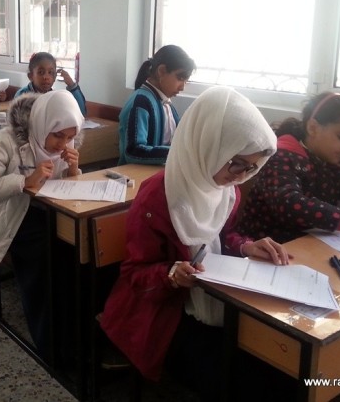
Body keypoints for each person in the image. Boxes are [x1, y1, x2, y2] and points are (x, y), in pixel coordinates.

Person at [100, 86, 290, 401]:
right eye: (237, 163)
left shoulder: (226, 190)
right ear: (210, 145)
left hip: (211, 299)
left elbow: (220, 236)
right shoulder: (158, 196)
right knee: (245, 380)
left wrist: (246, 246)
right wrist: (172, 275)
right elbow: (134, 273)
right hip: (166, 312)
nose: (241, 176)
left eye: (251, 168)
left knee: (277, 367)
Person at [0, 90, 84, 361]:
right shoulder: (8, 140)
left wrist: (73, 171)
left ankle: (74, 340)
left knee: (75, 257)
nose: (62, 144)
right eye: (57, 136)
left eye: (69, 137)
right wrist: (24, 181)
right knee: (44, 261)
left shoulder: (66, 144)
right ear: (43, 124)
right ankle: (51, 347)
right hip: (12, 215)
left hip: (51, 214)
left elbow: (66, 191)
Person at [238, 91, 340, 244]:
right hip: (264, 249)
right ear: (313, 128)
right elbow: (288, 204)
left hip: (309, 246)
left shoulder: (331, 163)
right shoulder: (280, 157)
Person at [118, 44, 196, 165]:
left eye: (186, 81)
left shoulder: (168, 105)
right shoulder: (141, 102)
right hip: (134, 174)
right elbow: (133, 152)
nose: (182, 87)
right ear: (162, 71)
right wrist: (177, 153)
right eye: (180, 79)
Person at [14, 52, 87, 116]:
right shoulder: (22, 95)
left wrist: (71, 85)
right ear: (30, 76)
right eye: (41, 72)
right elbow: (17, 121)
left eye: (50, 72)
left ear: (55, 77)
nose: (46, 77)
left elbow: (81, 113)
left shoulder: (54, 97)